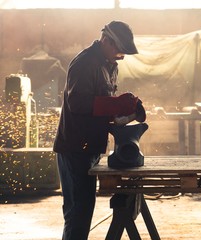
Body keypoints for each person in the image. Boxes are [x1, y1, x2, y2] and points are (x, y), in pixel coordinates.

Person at [53, 21, 141, 240]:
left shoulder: (110, 64)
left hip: (90, 146)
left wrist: (125, 113)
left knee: (83, 210)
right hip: (75, 148)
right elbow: (78, 104)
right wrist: (115, 105)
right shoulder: (85, 63)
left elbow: (101, 106)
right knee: (78, 212)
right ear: (105, 40)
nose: (120, 55)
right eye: (118, 49)